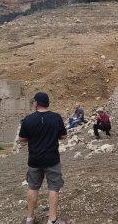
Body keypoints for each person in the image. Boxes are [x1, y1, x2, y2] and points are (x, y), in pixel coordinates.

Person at [18, 92, 68, 224]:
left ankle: (30, 217)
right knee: (53, 188)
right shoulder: (56, 117)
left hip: (34, 160)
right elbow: (64, 136)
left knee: (33, 187)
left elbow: (21, 139)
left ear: (36, 103)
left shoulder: (28, 119)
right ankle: (52, 220)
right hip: (52, 159)